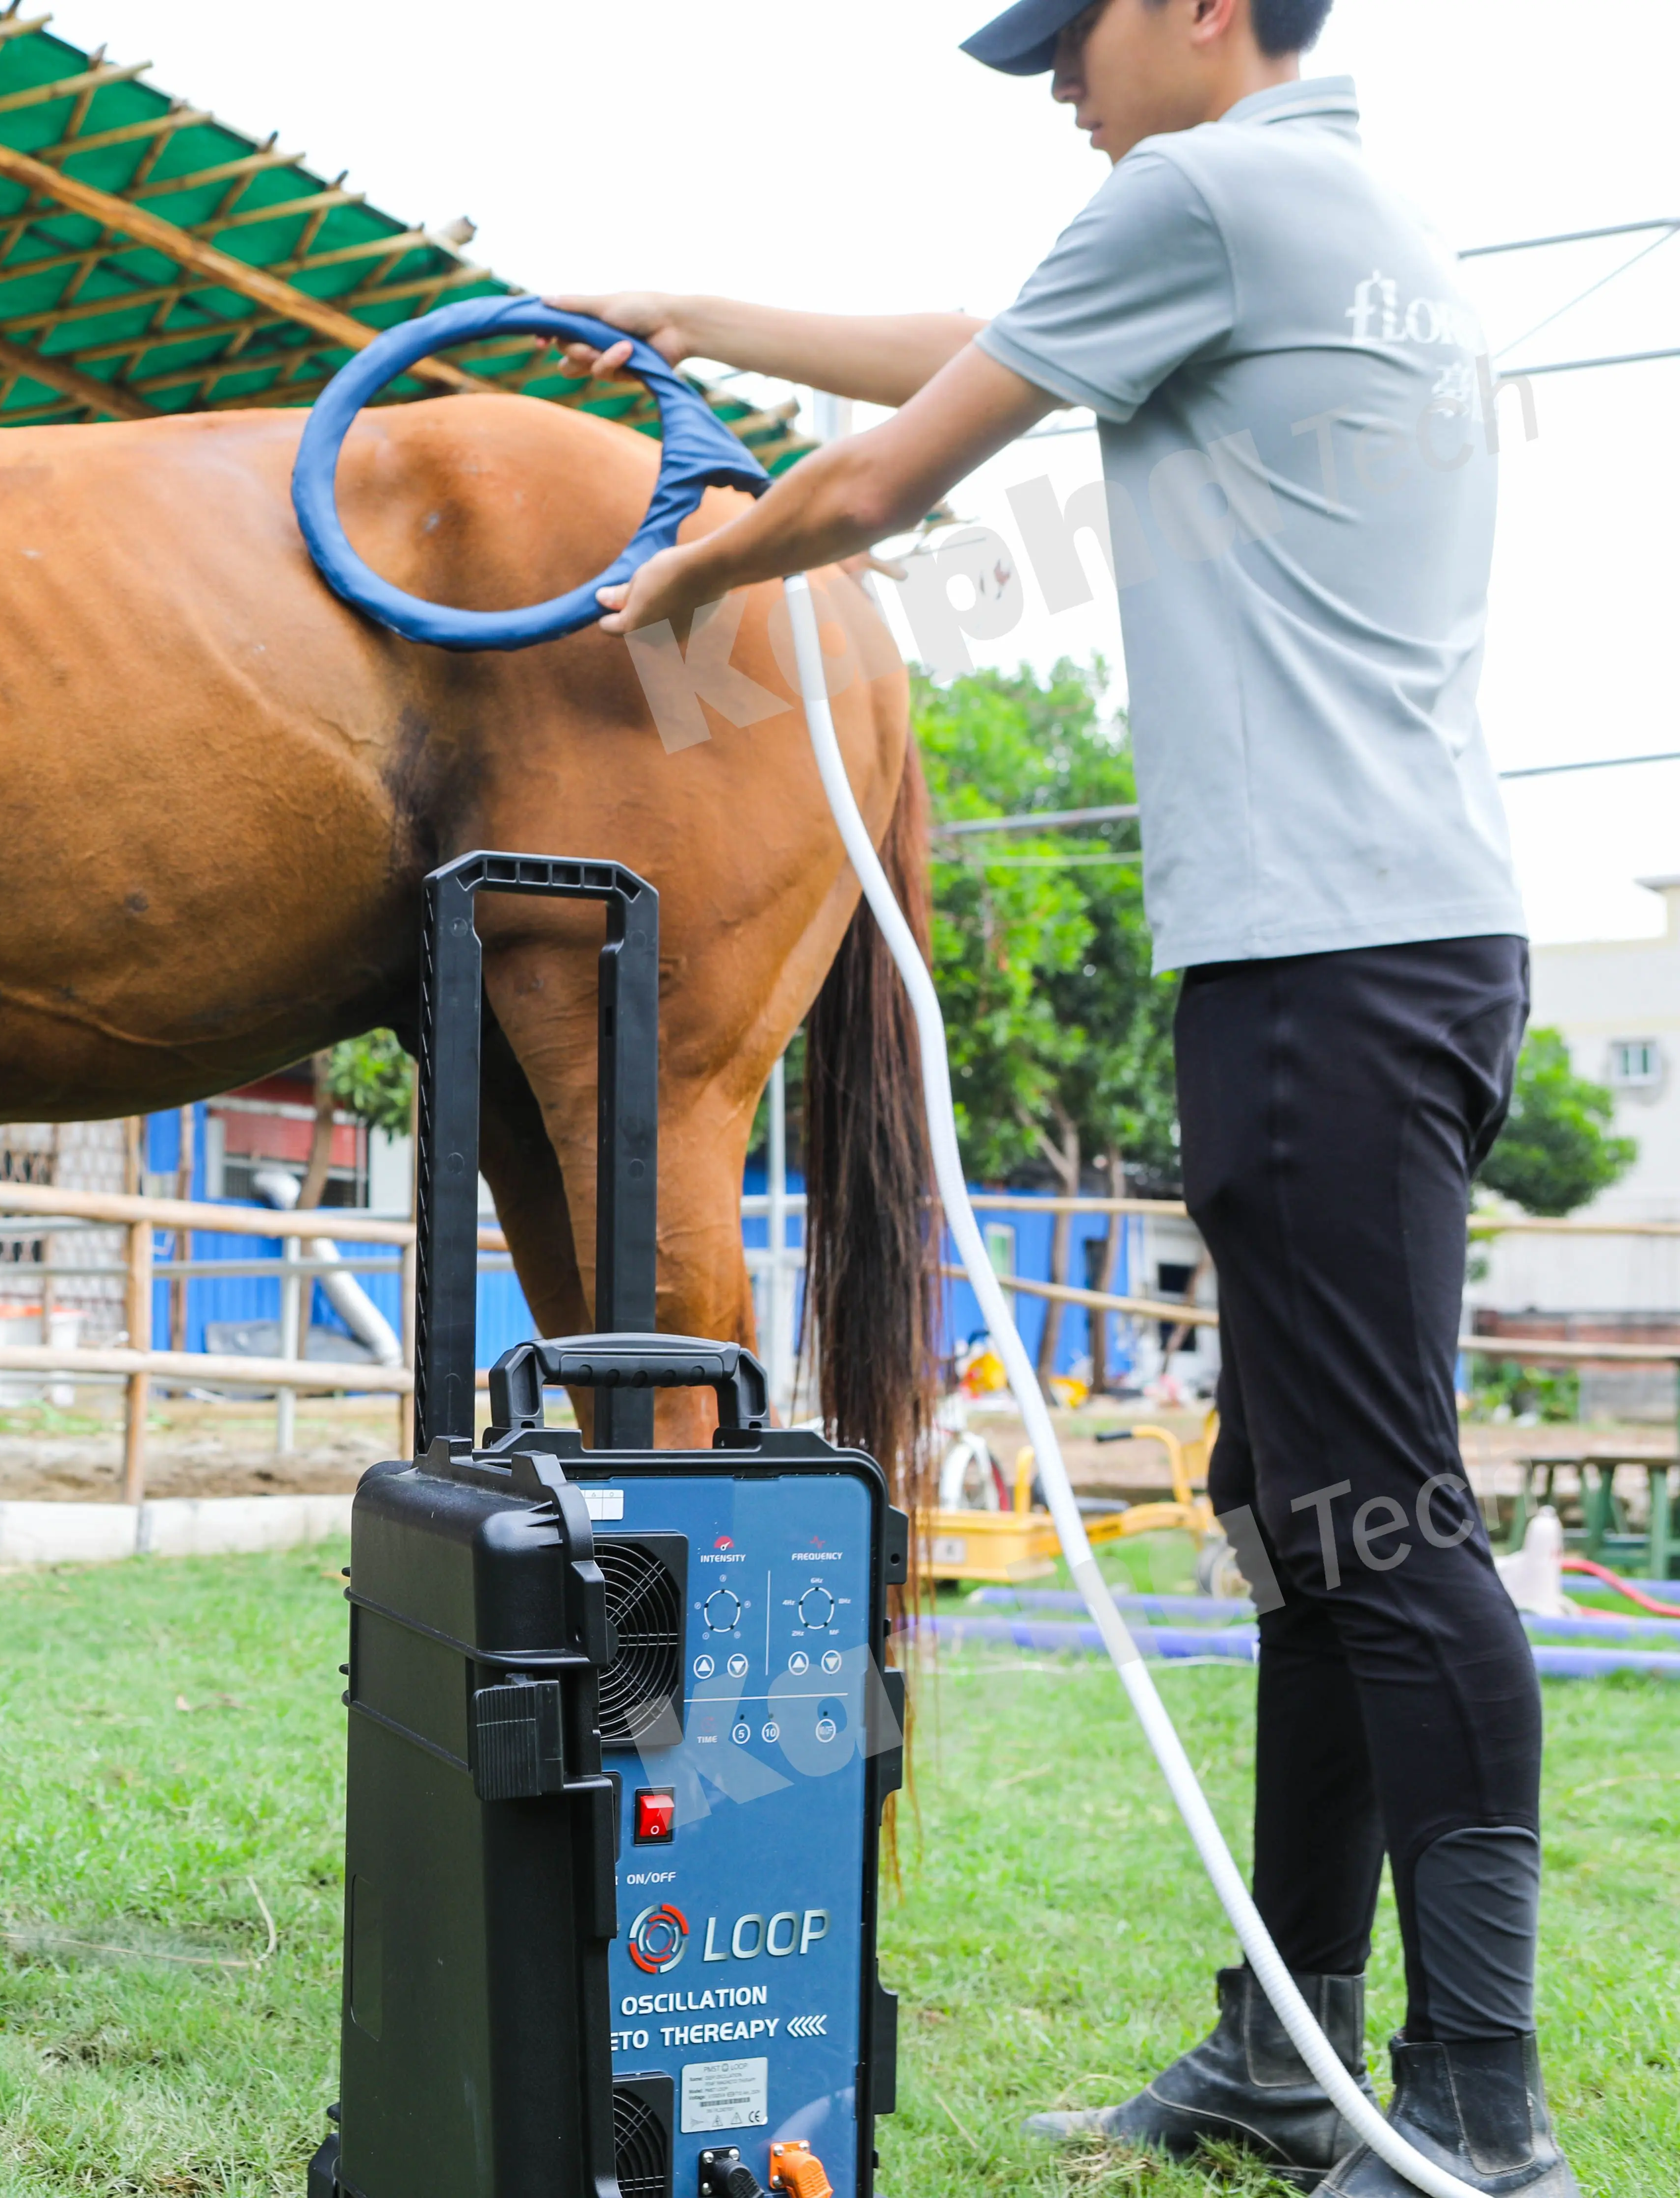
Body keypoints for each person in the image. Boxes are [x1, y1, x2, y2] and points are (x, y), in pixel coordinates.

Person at [550, 1, 1569, 2191]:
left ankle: (1483, 2111)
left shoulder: (1202, 197)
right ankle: (1296, 2054)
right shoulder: (1344, 208)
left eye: (1074, 35)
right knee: (1305, 1511)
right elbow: (983, 337)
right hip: (1417, 945)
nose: (1052, 82)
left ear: (1205, 8)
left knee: (1384, 1522)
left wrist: (692, 577)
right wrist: (698, 309)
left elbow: (900, 468)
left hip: (1318, 962)